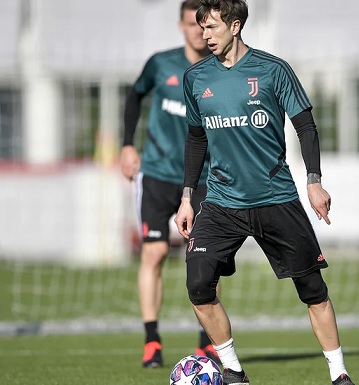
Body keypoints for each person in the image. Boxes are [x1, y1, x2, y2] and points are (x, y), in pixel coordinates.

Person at [174, 1, 355, 384]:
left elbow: (306, 125)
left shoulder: (273, 70)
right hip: (222, 203)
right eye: (201, 28)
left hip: (275, 198)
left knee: (312, 290)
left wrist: (314, 180)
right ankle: (234, 372)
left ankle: (339, 375)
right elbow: (195, 137)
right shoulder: (196, 78)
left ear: (235, 26)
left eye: (212, 28)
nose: (204, 36)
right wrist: (188, 196)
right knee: (198, 285)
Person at [119, 0, 216, 368]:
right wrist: (128, 144)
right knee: (155, 253)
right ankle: (151, 341)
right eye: (191, 23)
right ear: (180, 26)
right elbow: (134, 95)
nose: (197, 30)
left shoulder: (220, 69)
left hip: (205, 178)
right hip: (158, 173)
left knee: (207, 260)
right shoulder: (161, 63)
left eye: (203, 24)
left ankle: (208, 342)